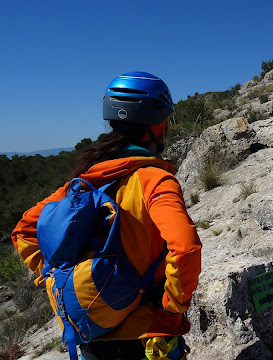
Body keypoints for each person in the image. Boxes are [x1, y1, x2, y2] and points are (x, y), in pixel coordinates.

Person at [11, 72, 202, 359]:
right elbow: (185, 247)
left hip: (91, 329)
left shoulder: (87, 179)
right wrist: (173, 304)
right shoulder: (155, 179)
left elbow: (24, 230)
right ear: (158, 124)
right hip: (145, 332)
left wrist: (53, 278)